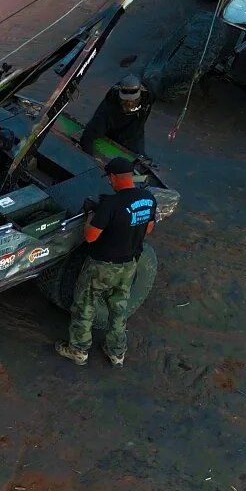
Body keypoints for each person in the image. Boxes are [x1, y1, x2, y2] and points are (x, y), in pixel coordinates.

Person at [57, 157, 155, 369]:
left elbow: (91, 237)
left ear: (113, 177)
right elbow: (148, 229)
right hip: (129, 265)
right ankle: (116, 353)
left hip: (102, 266)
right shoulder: (148, 199)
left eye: (109, 179)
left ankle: (79, 350)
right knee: (119, 309)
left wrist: (92, 214)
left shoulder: (110, 204)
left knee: (85, 306)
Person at [79, 74, 154, 156]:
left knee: (141, 158)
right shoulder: (107, 109)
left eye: (133, 100)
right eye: (125, 101)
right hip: (112, 131)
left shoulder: (149, 96)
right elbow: (88, 136)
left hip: (135, 130)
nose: (129, 103)